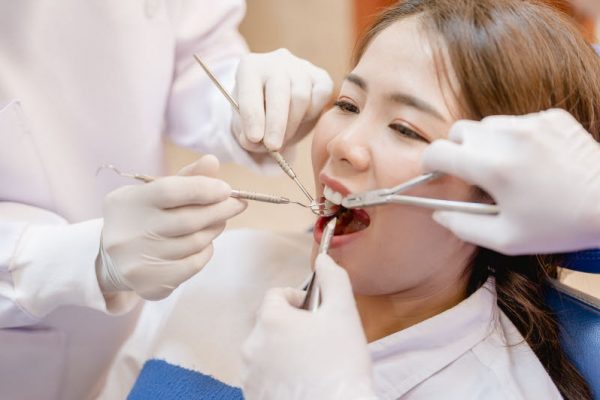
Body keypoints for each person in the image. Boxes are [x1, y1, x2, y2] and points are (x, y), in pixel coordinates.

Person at [102, 0, 597, 399]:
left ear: (500, 195)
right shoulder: (218, 271)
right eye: (347, 103)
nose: (340, 144)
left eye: (405, 128)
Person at [0, 1, 332, 399]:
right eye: (351, 106)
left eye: (402, 127)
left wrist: (242, 103)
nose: (349, 146)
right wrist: (71, 261)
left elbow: (193, 50)